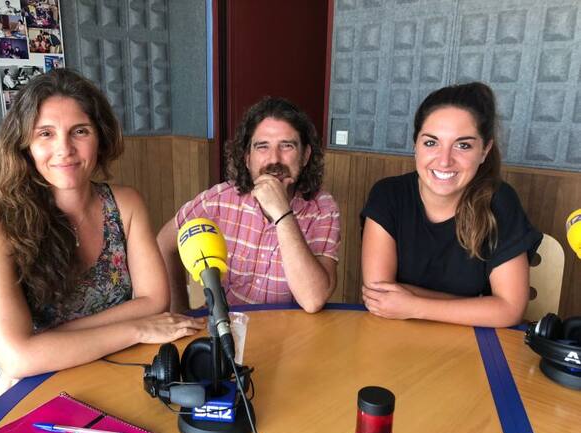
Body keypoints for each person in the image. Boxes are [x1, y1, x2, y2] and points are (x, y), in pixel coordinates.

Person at [0, 69, 203, 433]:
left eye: (80, 131)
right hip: (7, 390)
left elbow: (154, 301)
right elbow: (18, 358)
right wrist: (134, 328)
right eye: (45, 133)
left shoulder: (126, 204)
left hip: (97, 367)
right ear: (24, 144)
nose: (64, 149)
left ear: (100, 137)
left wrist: (50, 339)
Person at [360, 82, 542, 327]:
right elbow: (379, 296)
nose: (445, 161)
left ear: (484, 150)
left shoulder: (500, 201)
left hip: (471, 341)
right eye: (431, 142)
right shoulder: (388, 195)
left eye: (463, 145)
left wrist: (414, 305)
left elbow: (510, 310)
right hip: (395, 332)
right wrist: (480, 305)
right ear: (415, 145)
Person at [158, 97, 341, 314]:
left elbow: (313, 300)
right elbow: (164, 243)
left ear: (305, 156)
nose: (274, 159)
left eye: (287, 146)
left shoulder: (322, 209)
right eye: (262, 147)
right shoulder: (220, 199)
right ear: (247, 158)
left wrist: (282, 213)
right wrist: (180, 310)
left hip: (289, 330)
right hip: (227, 326)